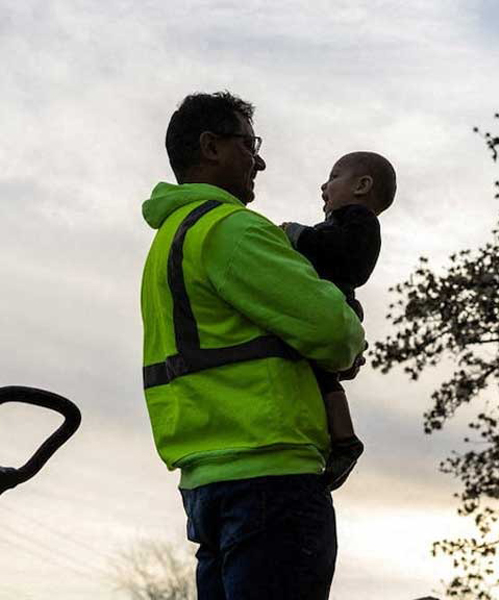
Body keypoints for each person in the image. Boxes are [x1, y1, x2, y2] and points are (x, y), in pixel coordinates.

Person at [140, 91, 365, 600]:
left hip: (207, 484)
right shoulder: (232, 231)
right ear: (210, 147)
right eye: (249, 144)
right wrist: (348, 321)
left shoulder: (170, 240)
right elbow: (336, 334)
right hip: (272, 478)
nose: (259, 159)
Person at [281, 151, 396, 491]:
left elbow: (351, 261)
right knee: (321, 379)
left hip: (338, 305)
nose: (323, 186)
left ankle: (344, 440)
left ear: (362, 185)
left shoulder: (358, 220)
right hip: (327, 306)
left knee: (324, 377)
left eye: (333, 177)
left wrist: (299, 236)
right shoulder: (339, 224)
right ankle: (340, 438)